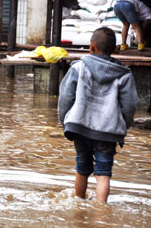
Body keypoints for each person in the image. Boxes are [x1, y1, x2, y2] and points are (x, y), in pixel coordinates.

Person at [58, 27, 139, 203]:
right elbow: (130, 104)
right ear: (116, 49)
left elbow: (65, 97)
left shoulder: (78, 68)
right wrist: (123, 125)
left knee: (82, 166)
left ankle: (79, 203)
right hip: (108, 130)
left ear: (91, 47)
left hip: (79, 126)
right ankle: (101, 210)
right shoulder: (124, 75)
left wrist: (64, 120)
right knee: (103, 171)